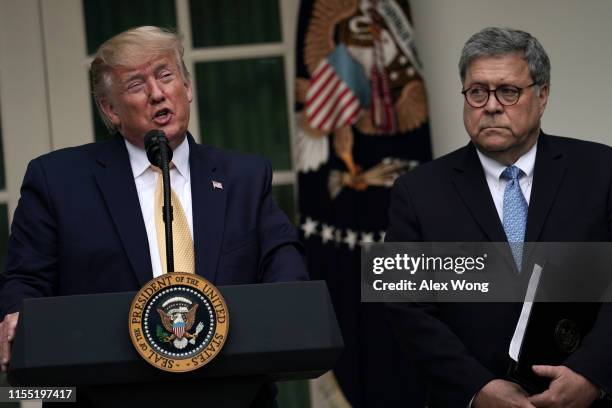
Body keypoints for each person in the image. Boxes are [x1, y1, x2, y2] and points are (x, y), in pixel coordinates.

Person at [0, 26, 307, 404]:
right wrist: (16, 315)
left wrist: (283, 313)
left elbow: (281, 258)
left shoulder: (244, 176)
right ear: (110, 110)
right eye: (135, 85)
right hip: (108, 395)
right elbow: (26, 278)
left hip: (233, 394)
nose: (157, 93)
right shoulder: (58, 181)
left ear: (187, 87)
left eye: (165, 75)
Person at [385, 27, 612, 407]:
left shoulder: (602, 170)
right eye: (477, 92)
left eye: (508, 91)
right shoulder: (414, 191)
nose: (490, 105)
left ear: (542, 96)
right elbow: (403, 306)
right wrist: (476, 389)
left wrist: (592, 373)